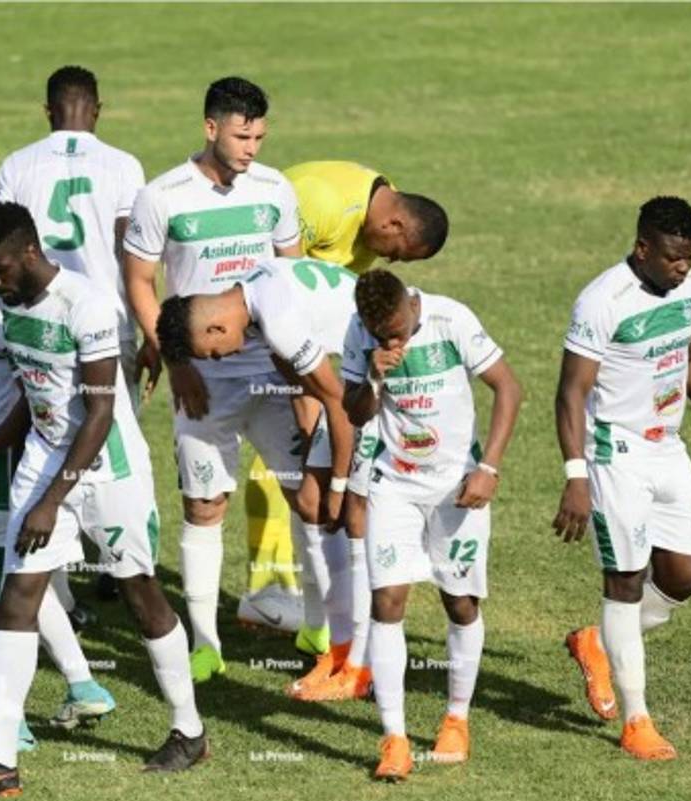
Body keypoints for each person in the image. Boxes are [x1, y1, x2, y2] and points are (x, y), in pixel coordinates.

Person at [0, 204, 207, 799]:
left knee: (140, 593)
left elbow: (101, 411)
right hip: (44, 457)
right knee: (18, 597)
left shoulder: (86, 306)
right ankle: (1, 759)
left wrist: (51, 501)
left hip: (109, 468)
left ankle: (189, 730)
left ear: (29, 251)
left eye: (2, 267)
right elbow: (34, 396)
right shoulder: (7, 304)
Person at [123, 76, 306, 682]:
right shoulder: (163, 196)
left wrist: (298, 366)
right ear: (210, 129)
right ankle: (206, 643)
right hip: (204, 378)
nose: (252, 147)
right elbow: (140, 283)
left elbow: (294, 278)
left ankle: (321, 625)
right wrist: (175, 360)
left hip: (273, 372)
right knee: (206, 505)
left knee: (307, 493)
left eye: (258, 135)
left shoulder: (275, 188)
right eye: (240, 135)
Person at [246, 159, 450, 691]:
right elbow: (286, 285)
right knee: (314, 503)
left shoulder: (362, 231)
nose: (390, 261)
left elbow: (342, 364)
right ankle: (329, 642)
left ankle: (354, 659)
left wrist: (334, 452)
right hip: (309, 362)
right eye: (399, 252)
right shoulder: (321, 204)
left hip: (341, 379)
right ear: (396, 225)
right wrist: (306, 395)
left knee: (347, 510)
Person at [554, 196, 691, 760]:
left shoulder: (687, 287)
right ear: (643, 249)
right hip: (615, 455)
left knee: (683, 578)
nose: (683, 268)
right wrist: (576, 476)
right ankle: (637, 721)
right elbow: (571, 393)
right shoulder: (602, 301)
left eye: (690, 257)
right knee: (626, 580)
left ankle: (597, 642)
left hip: (669, 448)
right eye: (673, 258)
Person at [0, 206, 116, 758]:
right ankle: (83, 684)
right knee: (25, 586)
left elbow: (37, 393)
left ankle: (10, 725)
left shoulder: (2, 314)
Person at [155, 256, 370, 701]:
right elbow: (303, 386)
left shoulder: (277, 318)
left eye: (213, 352)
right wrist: (318, 458)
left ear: (214, 329)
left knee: (352, 520)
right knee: (317, 507)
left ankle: (356, 662)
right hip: (362, 374)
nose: (223, 357)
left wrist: (338, 484)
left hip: (381, 376)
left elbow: (337, 403)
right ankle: (339, 654)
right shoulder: (254, 297)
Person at [343, 269, 521, 779]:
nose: (392, 340)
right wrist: (373, 375)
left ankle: (456, 718)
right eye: (382, 335)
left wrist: (488, 467)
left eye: (398, 329)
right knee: (387, 600)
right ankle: (394, 739)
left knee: (460, 602)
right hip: (393, 485)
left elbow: (508, 387)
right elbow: (356, 413)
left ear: (411, 305)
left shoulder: (451, 319)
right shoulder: (362, 334)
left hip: (455, 486)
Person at [0, 64, 147, 606]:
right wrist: (147, 327)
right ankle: (116, 558)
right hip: (108, 322)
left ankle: (57, 574)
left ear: (48, 111)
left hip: (39, 323)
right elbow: (134, 254)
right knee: (111, 438)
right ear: (97, 110)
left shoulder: (17, 164)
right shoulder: (125, 165)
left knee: (46, 431)